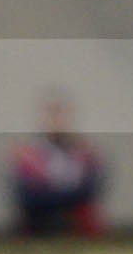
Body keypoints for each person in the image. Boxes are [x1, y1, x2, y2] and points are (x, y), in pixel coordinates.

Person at [7, 89, 105, 236]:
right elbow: (24, 194)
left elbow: (91, 189)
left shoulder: (84, 153)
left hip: (75, 218)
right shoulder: (28, 154)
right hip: (37, 219)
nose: (56, 120)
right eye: (51, 114)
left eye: (60, 113)